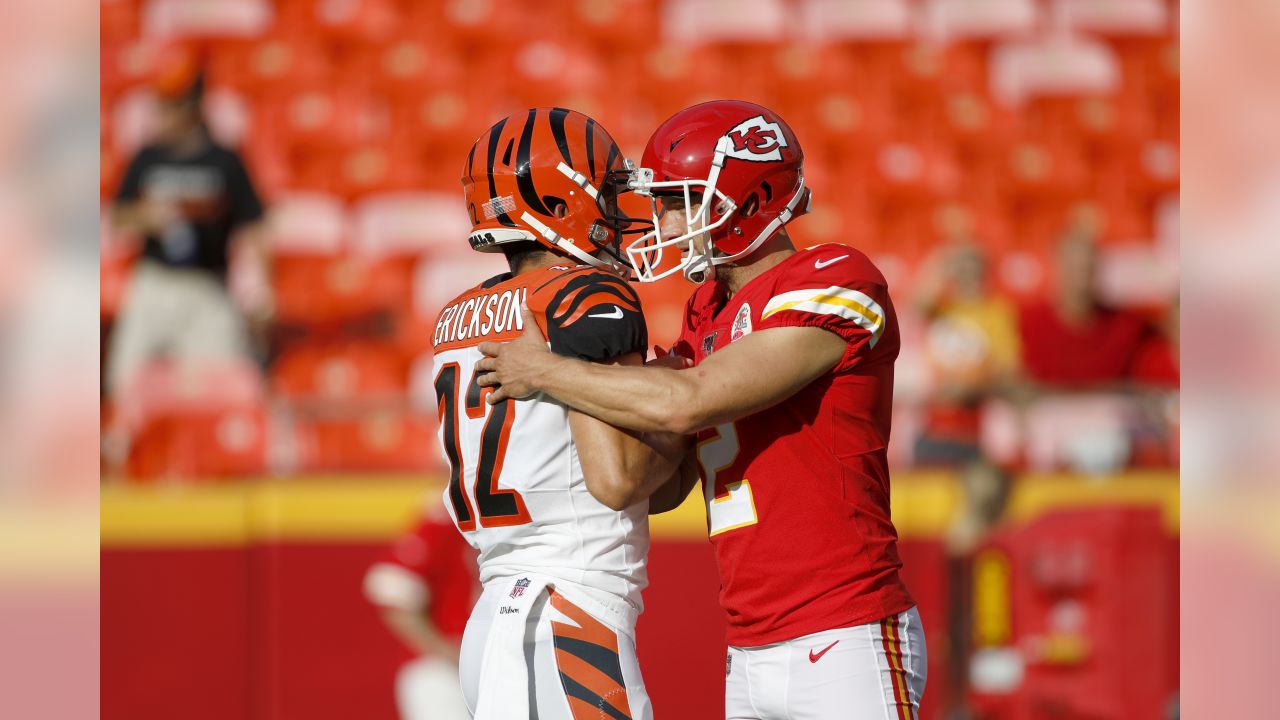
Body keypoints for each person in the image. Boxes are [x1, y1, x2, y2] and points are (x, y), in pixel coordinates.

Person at [477, 100, 926, 720]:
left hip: (843, 626)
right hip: (748, 642)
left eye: (681, 198)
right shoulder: (706, 309)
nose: (662, 217)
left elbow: (691, 402)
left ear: (751, 197)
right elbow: (662, 487)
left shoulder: (835, 276)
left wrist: (549, 370)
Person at [437, 108, 692, 720]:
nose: (615, 210)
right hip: (567, 606)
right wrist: (685, 398)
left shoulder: (457, 315)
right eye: (604, 193)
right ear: (558, 203)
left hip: (501, 608)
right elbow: (622, 479)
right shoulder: (583, 293)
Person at [104, 51, 272, 468]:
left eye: (173, 103)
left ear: (194, 104)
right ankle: (119, 455)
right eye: (162, 102)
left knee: (222, 379)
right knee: (123, 375)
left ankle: (217, 461)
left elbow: (253, 224)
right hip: (156, 280)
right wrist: (148, 216)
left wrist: (262, 288)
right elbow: (120, 213)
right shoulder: (148, 157)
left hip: (206, 286)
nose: (164, 112)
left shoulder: (225, 160)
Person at [364, 506, 478, 720]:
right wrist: (445, 650)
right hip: (443, 672)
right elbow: (390, 588)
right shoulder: (451, 514)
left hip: (497, 667)